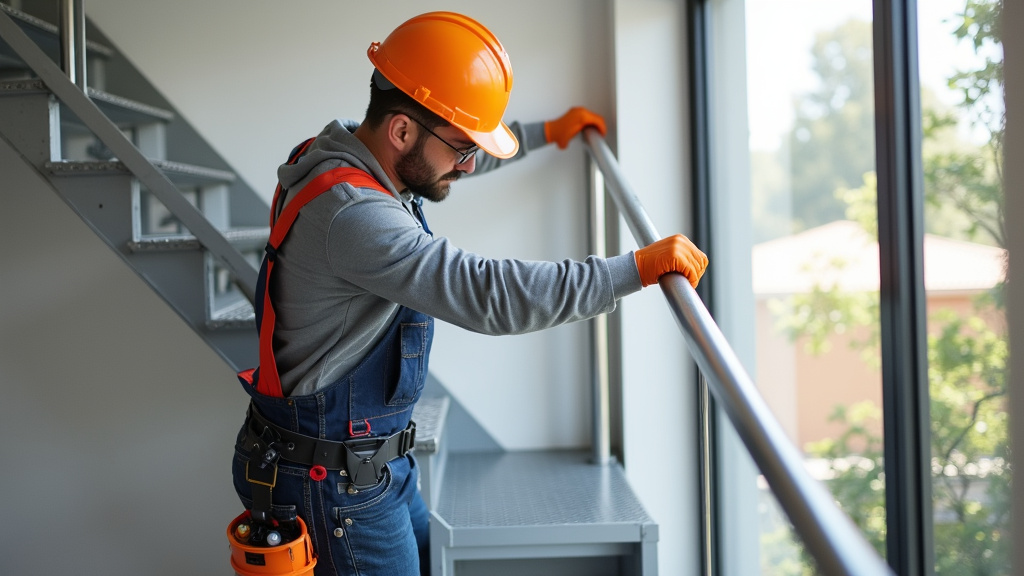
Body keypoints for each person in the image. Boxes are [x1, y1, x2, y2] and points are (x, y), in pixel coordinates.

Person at [230, 10, 708, 576]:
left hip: (370, 464)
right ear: (401, 129)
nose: (469, 163)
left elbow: (431, 165)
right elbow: (487, 293)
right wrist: (631, 270)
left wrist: (542, 135)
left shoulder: (347, 155)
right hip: (334, 486)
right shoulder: (356, 217)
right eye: (463, 148)